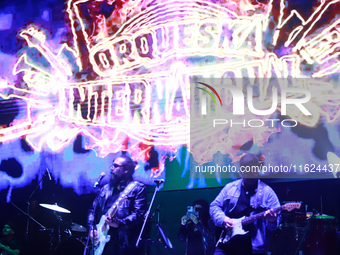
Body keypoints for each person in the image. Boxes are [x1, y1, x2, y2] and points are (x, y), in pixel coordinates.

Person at [210, 153, 280, 255]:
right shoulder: (230, 188)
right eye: (247, 170)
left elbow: (273, 226)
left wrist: (272, 221)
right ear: (241, 171)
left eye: (253, 170)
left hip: (255, 249)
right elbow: (214, 206)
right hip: (226, 244)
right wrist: (223, 219)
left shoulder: (268, 192)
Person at [89, 154, 148, 255]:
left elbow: (138, 214)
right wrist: (92, 229)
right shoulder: (105, 189)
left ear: (126, 170)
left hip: (124, 243)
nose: (112, 168)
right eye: (112, 165)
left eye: (116, 166)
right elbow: (92, 211)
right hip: (103, 242)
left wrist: (119, 223)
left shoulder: (137, 188)